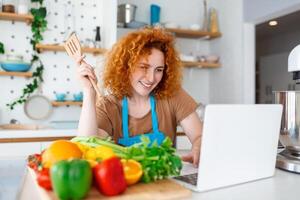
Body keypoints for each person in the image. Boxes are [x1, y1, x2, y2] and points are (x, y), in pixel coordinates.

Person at [76, 27, 203, 167]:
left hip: (165, 182)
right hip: (126, 185)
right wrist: (88, 91)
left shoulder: (173, 95)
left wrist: (198, 147)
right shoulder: (109, 106)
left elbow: (199, 136)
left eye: (159, 70)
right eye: (144, 67)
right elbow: (86, 145)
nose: (151, 78)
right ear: (126, 67)